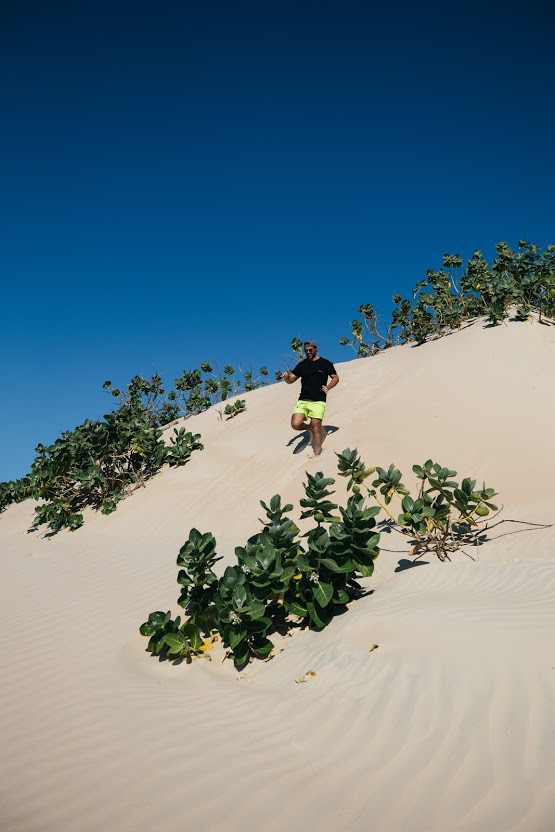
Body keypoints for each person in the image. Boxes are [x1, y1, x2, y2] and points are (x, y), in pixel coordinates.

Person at [283, 339, 339, 456]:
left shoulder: (325, 363)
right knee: (296, 424)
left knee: (317, 426)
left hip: (318, 401)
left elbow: (335, 378)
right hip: (303, 400)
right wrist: (286, 377)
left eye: (310, 350)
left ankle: (317, 454)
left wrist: (328, 387)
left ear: (315, 349)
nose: (308, 352)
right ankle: (309, 429)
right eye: (306, 350)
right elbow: (291, 380)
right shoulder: (302, 365)